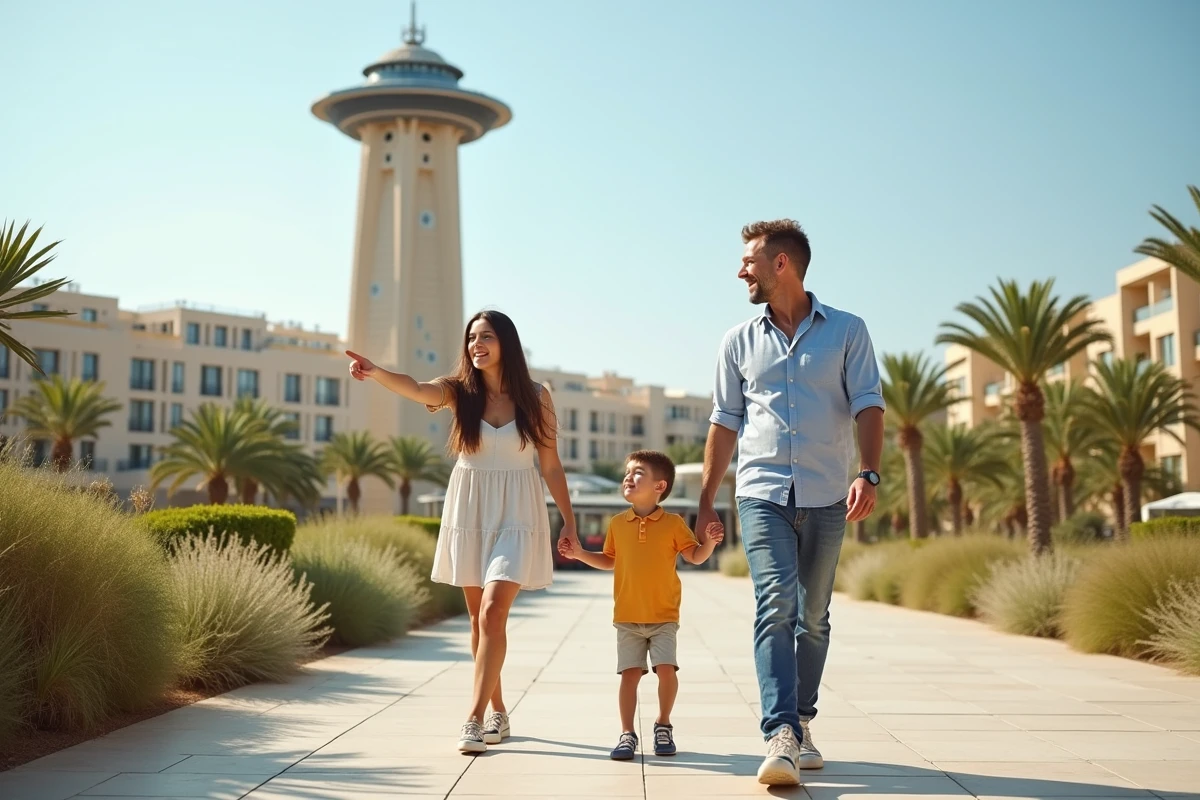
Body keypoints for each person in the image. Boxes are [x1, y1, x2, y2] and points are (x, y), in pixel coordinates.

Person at [695, 219, 885, 787]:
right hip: (761, 492)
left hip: (828, 492)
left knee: (814, 616)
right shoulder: (737, 340)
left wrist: (868, 473)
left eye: (749, 261)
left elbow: (869, 404)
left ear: (782, 265)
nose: (740, 271)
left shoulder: (848, 331)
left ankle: (802, 722)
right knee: (776, 601)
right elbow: (724, 422)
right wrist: (706, 500)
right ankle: (779, 732)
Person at [346, 309, 577, 754]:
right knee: (477, 620)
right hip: (469, 507)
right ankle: (498, 710)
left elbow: (550, 464)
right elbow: (414, 388)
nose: (477, 345)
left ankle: (473, 718)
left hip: (518, 511)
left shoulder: (535, 396)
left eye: (486, 337)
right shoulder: (459, 392)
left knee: (492, 612)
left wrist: (567, 519)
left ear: (506, 343)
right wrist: (376, 373)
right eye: (472, 338)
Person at [558, 450, 723, 761]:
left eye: (638, 473)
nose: (628, 477)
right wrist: (578, 553)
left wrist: (711, 542)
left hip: (663, 616)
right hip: (627, 616)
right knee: (629, 675)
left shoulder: (674, 523)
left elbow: (695, 556)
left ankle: (663, 724)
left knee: (666, 670)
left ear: (659, 486)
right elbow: (609, 560)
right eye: (627, 472)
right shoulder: (618, 524)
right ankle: (627, 733)